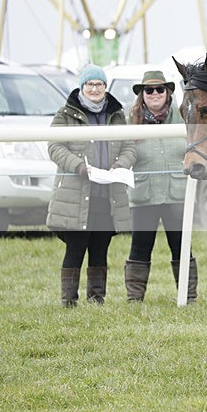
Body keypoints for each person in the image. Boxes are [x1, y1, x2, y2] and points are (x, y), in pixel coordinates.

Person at [47, 64, 136, 306]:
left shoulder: (117, 115)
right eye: (90, 84)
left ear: (105, 87)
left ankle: (97, 299)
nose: (95, 89)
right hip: (76, 195)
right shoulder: (65, 114)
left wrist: (120, 164)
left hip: (107, 195)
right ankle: (69, 301)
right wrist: (78, 166)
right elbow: (54, 147)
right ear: (82, 86)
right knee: (75, 249)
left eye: (99, 84)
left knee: (100, 249)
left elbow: (129, 146)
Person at [123, 71, 198, 303]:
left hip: (177, 195)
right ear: (142, 95)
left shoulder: (185, 118)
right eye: (149, 90)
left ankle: (189, 297)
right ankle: (134, 299)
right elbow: (123, 152)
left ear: (168, 93)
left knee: (182, 247)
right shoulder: (130, 121)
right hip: (144, 196)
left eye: (159, 89)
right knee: (140, 249)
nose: (154, 94)